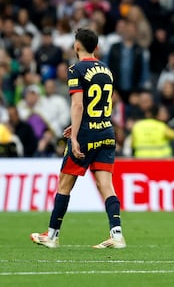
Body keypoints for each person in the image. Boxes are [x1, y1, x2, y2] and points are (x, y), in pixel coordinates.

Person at [30, 28, 126, 249]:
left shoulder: (75, 69)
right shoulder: (106, 69)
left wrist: (74, 136)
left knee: (64, 185)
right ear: (96, 47)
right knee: (106, 185)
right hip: (106, 132)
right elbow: (103, 104)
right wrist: (78, 123)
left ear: (77, 46)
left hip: (86, 136)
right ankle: (117, 234)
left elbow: (78, 103)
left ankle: (52, 236)